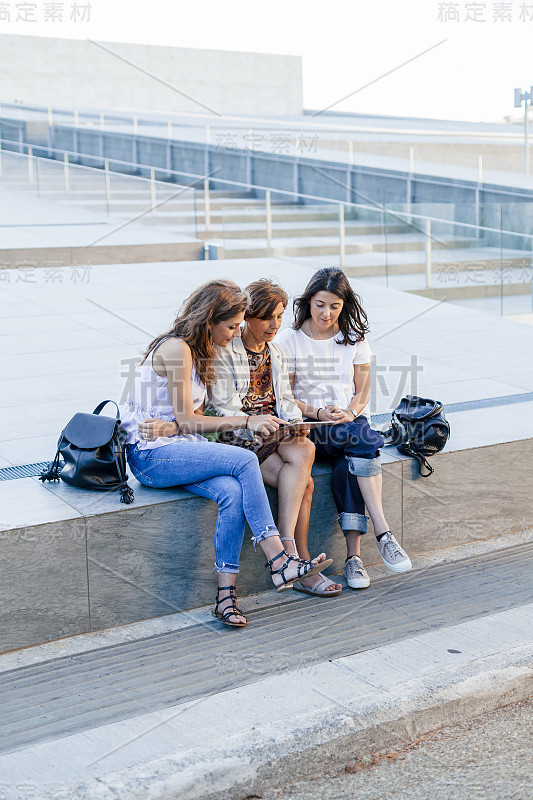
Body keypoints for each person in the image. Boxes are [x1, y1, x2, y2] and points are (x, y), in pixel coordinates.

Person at [121, 279, 330, 629]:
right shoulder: (176, 349)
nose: (236, 334)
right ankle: (279, 559)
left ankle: (225, 597)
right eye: (232, 326)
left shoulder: (202, 354)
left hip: (180, 449)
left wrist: (175, 426)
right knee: (246, 459)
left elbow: (187, 421)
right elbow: (190, 418)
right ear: (208, 320)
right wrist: (248, 420)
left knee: (232, 492)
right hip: (150, 458)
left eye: (238, 326)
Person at [277, 267, 412, 590]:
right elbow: (288, 396)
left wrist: (350, 411)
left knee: (347, 467)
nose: (326, 313)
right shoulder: (290, 340)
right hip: (311, 426)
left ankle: (354, 559)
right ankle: (382, 531)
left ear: (344, 305)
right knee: (366, 439)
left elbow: (362, 391)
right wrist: (319, 410)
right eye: (320, 304)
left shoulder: (353, 339)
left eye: (334, 306)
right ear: (309, 301)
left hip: (347, 423)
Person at [207, 279, 342, 598]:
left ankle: (290, 559)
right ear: (247, 317)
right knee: (305, 483)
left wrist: (294, 421)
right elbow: (222, 408)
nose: (274, 324)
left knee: (304, 442)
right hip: (239, 436)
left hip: (275, 432)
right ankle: (296, 559)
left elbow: (287, 400)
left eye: (280, 316)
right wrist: (258, 423)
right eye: (267, 317)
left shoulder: (277, 352)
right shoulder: (225, 350)